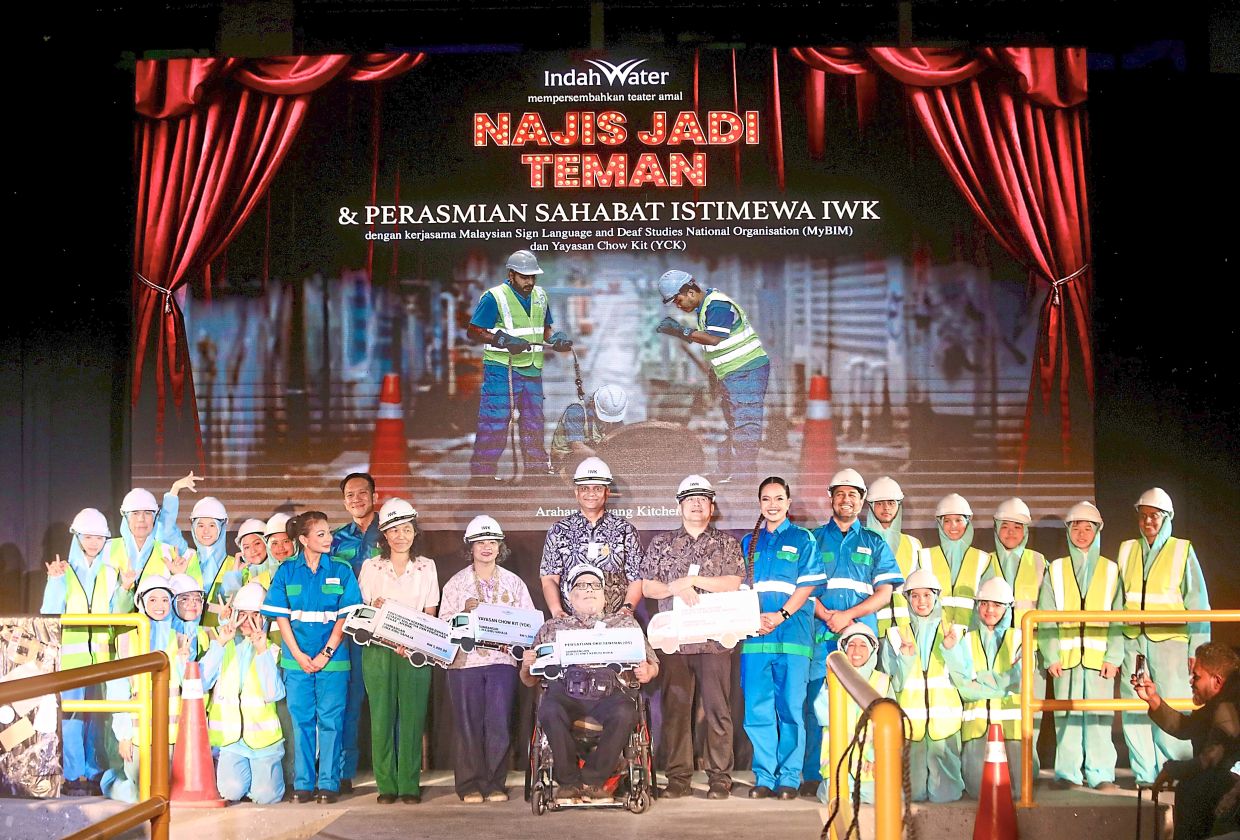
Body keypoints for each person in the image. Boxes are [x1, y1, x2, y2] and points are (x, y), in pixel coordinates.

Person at [640, 475, 745, 800]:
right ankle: (678, 778)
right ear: (680, 505)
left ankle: (719, 778)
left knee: (717, 709)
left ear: (711, 507)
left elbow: (735, 581)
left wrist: (695, 581)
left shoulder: (726, 542)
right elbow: (647, 586)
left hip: (714, 640)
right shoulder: (661, 542)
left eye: (703, 499)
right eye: (690, 499)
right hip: (676, 642)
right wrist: (674, 587)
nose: (696, 504)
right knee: (676, 710)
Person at [520, 563, 659, 801]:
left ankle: (592, 781)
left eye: (595, 586)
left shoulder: (624, 624)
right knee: (549, 709)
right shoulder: (552, 628)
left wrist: (649, 670)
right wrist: (526, 666)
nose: (589, 591)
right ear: (570, 597)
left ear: (605, 596)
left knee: (625, 713)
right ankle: (568, 782)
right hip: (566, 691)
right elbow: (529, 680)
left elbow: (653, 664)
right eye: (581, 586)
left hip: (610, 691)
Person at [806, 469, 902, 795]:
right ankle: (819, 777)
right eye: (840, 494)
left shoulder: (874, 542)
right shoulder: (814, 539)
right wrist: (828, 617)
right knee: (819, 707)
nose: (846, 500)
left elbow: (885, 593)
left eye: (853, 495)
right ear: (831, 498)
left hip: (860, 636)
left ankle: (863, 777)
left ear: (862, 501)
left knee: (863, 706)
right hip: (822, 635)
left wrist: (847, 617)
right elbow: (804, 587)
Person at [261, 511, 363, 804]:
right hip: (296, 662)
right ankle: (303, 784)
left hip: (334, 661)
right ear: (303, 540)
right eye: (321, 535)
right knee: (302, 720)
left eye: (329, 533)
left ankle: (329, 783)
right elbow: (281, 619)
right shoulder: (286, 572)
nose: (329, 539)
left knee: (331, 721)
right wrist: (298, 655)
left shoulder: (342, 570)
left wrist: (326, 653)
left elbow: (346, 617)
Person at [1119, 487, 1212, 786]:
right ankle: (1145, 774)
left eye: (1155, 516)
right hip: (1134, 640)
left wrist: (1198, 649)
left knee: (1172, 706)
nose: (1148, 522)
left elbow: (1198, 602)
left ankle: (1180, 772)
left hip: (1171, 643)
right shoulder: (1126, 550)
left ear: (1167, 518)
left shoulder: (1182, 549)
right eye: (1143, 515)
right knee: (1135, 707)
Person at [440, 515, 536, 803]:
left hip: (501, 662)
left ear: (499, 547)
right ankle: (469, 784)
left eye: (492, 542)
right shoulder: (456, 584)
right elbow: (443, 624)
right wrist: (463, 615)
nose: (486, 547)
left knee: (498, 721)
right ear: (470, 546)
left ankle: (494, 782)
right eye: (480, 542)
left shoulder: (513, 583)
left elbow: (529, 624)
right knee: (468, 722)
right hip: (464, 664)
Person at [739, 476, 824, 799]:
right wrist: (753, 619)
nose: (772, 505)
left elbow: (806, 586)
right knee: (757, 710)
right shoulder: (749, 541)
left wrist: (781, 615)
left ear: (788, 503)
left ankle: (789, 777)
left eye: (778, 499)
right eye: (766, 500)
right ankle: (764, 777)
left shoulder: (803, 540)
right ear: (759, 504)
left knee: (791, 709)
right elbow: (741, 589)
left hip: (793, 637)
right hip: (756, 638)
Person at [356, 498, 439, 805]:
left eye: (406, 529)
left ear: (414, 532)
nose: (401, 536)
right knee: (381, 717)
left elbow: (431, 613)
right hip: (378, 651)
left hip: (416, 652)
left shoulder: (426, 567)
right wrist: (374, 610)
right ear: (384, 535)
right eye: (394, 530)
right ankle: (386, 785)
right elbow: (361, 612)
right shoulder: (371, 567)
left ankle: (409, 784)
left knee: (412, 718)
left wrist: (415, 643)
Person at [1038, 501, 1124, 791]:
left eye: (1089, 528)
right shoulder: (1057, 569)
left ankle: (1101, 774)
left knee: (1100, 717)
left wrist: (1114, 656)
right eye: (1077, 527)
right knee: (1066, 717)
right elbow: (1045, 616)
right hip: (1067, 659)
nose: (1082, 533)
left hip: (1100, 660)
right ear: (1069, 531)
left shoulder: (1112, 570)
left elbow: (1119, 617)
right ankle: (1068, 773)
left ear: (1097, 530)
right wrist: (1050, 655)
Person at [467, 249, 573, 482]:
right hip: (502, 369)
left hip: (532, 370)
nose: (530, 281)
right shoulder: (494, 297)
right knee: (495, 422)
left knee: (534, 422)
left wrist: (556, 339)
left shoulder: (541, 296)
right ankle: (482, 478)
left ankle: (535, 472)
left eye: (533, 276)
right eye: (524, 277)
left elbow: (546, 330)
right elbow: (474, 331)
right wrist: (502, 339)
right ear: (511, 274)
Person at [654, 269, 770, 480]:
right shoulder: (704, 307)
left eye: (678, 300)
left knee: (745, 425)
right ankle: (727, 472)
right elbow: (720, 347)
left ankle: (745, 478)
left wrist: (682, 332)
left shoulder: (717, 304)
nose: (678, 305)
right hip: (732, 373)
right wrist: (714, 375)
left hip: (747, 371)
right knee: (734, 424)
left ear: (690, 291)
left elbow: (714, 339)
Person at [41, 508, 123, 797]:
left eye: (99, 537)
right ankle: (75, 776)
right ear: (77, 537)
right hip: (73, 659)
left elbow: (118, 611)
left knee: (99, 718)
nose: (93, 542)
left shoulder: (111, 573)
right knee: (73, 717)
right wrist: (53, 582)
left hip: (102, 658)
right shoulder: (64, 572)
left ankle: (96, 770)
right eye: (87, 537)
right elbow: (48, 615)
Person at [1133, 643, 1240, 840]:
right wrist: (1153, 700)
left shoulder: (1227, 708)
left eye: (1197, 677)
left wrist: (1173, 769)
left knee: (1192, 791)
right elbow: (1187, 727)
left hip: (1231, 801)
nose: (1192, 682)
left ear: (1217, 681)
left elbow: (1211, 759)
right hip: (1220, 792)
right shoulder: (1220, 703)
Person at [883, 567, 967, 803]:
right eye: (915, 596)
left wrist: (952, 650)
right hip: (911, 724)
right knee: (913, 794)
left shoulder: (955, 633)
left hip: (944, 723)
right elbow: (894, 682)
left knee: (945, 796)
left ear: (936, 597)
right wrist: (906, 658)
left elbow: (964, 676)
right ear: (907, 599)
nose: (921, 601)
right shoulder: (895, 635)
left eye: (927, 595)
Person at [202, 581, 286, 805]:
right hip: (230, 742)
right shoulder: (224, 645)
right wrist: (219, 643)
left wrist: (262, 652)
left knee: (265, 796)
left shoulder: (272, 648)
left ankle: (260, 782)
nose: (248, 621)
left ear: (265, 617)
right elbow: (200, 682)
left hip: (264, 743)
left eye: (256, 614)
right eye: (243, 614)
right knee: (230, 791)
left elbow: (274, 693)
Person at [102, 575, 177, 804]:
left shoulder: (179, 634)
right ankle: (112, 783)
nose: (159, 606)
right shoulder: (127, 639)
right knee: (141, 796)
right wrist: (124, 737)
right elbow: (117, 691)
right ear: (142, 602)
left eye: (165, 600)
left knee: (166, 791)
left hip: (171, 736)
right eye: (152, 600)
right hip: (138, 735)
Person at [539, 457, 643, 617]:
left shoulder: (625, 530)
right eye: (585, 488)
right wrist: (557, 611)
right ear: (576, 493)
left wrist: (626, 609)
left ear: (607, 492)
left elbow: (636, 577)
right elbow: (550, 578)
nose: (591, 494)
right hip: (571, 621)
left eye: (597, 489)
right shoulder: (559, 530)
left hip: (615, 621)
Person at [953, 577, 1027, 799]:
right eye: (984, 603)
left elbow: (1020, 679)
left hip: (1012, 729)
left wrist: (979, 680)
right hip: (977, 728)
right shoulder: (966, 639)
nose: (989, 610)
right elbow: (964, 687)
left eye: (996, 605)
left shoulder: (1020, 638)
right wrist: (1002, 683)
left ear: (1007, 608)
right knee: (978, 792)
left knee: (1016, 791)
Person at [330, 472, 381, 795]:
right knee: (348, 704)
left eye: (362, 493)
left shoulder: (392, 531)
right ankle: (344, 772)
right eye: (350, 495)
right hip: (348, 633)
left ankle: (391, 772)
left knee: (385, 703)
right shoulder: (335, 538)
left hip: (384, 630)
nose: (356, 500)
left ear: (374, 495)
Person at [810, 623, 891, 805]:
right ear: (844, 649)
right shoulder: (833, 678)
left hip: (870, 766)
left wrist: (876, 757)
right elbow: (822, 714)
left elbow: (889, 728)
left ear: (871, 651)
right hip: (839, 764)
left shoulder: (883, 681)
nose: (856, 650)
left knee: (884, 799)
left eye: (863, 646)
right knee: (834, 799)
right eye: (852, 645)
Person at [150, 472, 239, 618]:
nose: (205, 531)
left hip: (223, 637)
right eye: (200, 525)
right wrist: (175, 490)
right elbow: (164, 531)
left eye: (212, 525)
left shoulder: (235, 565)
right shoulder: (187, 556)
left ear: (222, 527)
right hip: (187, 634)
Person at [917, 494, 998, 634]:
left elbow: (990, 603)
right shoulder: (923, 557)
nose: (953, 526)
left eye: (958, 520)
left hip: (971, 636)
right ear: (940, 523)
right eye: (947, 521)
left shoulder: (983, 560)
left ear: (968, 522)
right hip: (934, 636)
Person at [865, 476, 923, 640]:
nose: (886, 508)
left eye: (891, 503)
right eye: (880, 503)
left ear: (899, 505)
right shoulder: (860, 541)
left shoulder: (913, 544)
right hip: (870, 626)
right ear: (871, 506)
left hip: (905, 628)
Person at [105, 488, 177, 611]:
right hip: (113, 627)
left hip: (155, 628)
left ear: (155, 516)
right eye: (135, 513)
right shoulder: (107, 548)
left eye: (148, 513)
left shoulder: (169, 552)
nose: (141, 519)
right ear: (125, 516)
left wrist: (178, 576)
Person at [551, 383, 629, 476]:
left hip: (594, 459)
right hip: (566, 463)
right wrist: (607, 459)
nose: (609, 422)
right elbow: (577, 448)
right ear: (593, 404)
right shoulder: (576, 411)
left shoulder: (612, 412)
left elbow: (620, 441)